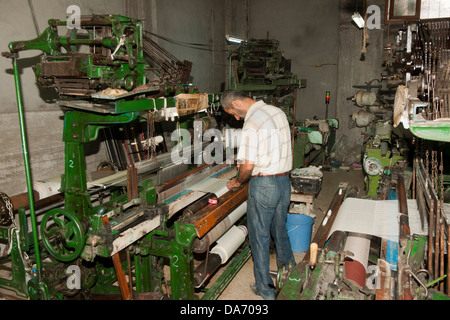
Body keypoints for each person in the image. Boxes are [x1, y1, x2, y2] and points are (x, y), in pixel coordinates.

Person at [221, 89, 295, 300]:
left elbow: (247, 166)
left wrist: (237, 180)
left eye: (232, 113)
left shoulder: (251, 123)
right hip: (283, 182)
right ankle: (290, 278)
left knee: (260, 238)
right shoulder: (277, 111)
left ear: (236, 104)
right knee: (280, 231)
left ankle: (266, 291)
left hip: (264, 185)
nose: (235, 117)